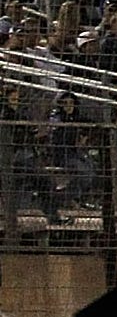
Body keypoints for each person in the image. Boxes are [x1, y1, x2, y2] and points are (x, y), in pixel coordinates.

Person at [0, 82, 71, 226]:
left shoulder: (17, 113)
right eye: (12, 100)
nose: (15, 103)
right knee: (43, 180)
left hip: (22, 155)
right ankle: (53, 217)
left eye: (17, 100)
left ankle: (53, 217)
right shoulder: (5, 113)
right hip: (13, 156)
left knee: (44, 181)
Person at [47, 90, 99, 210]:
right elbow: (58, 133)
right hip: (62, 154)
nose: (69, 105)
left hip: (74, 153)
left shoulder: (75, 116)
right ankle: (70, 198)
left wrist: (84, 136)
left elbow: (91, 124)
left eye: (71, 102)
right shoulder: (56, 118)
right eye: (65, 103)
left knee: (92, 168)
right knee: (84, 172)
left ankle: (77, 198)